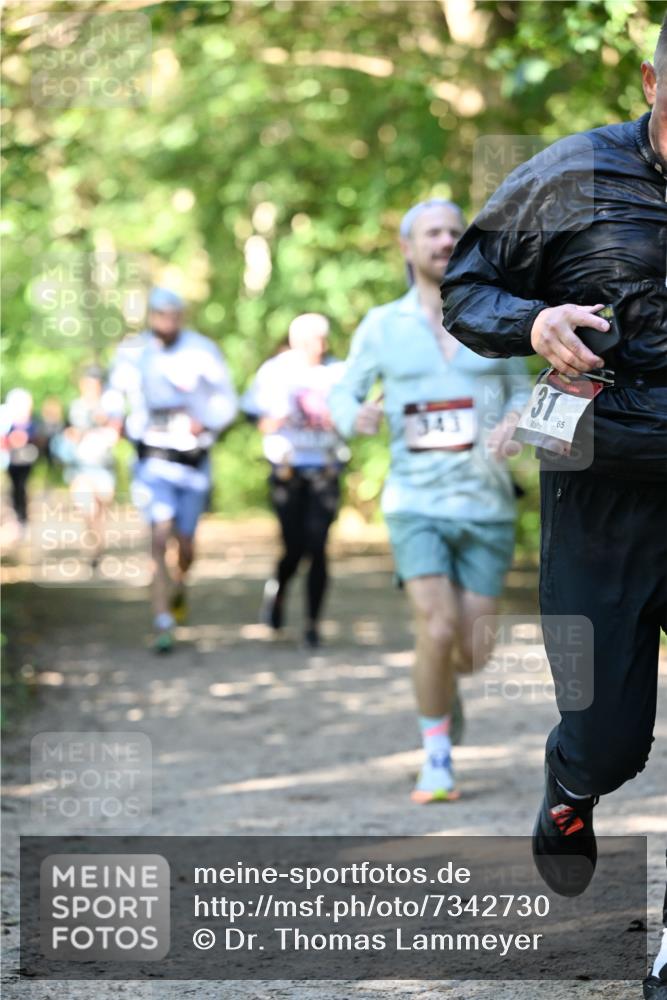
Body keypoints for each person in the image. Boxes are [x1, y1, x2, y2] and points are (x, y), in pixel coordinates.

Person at [441, 20, 667, 998]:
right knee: (610, 733)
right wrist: (529, 319)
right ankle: (571, 785)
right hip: (602, 494)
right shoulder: (572, 175)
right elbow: (466, 288)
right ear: (654, 83)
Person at [329, 199, 531, 803]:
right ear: (407, 247)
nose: (444, 240)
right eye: (432, 232)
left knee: (470, 651)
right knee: (435, 626)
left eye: (453, 231)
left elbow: (524, 394)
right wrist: (353, 415)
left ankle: (444, 683)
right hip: (415, 502)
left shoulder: (495, 317)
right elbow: (343, 391)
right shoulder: (382, 326)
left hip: (487, 505)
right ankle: (437, 759)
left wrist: (514, 425)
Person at [108, 287, 238, 652]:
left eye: (174, 314)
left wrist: (207, 422)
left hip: (193, 461)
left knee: (185, 543)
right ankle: (162, 620)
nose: (168, 321)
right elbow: (114, 395)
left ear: (182, 316)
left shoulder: (202, 350)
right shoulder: (133, 352)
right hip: (152, 460)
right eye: (161, 314)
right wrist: (113, 418)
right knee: (157, 536)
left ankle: (180, 582)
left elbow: (227, 399)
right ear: (151, 317)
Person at [243, 313, 348, 649]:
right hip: (287, 471)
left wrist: (343, 419)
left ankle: (312, 624)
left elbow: (355, 415)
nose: (320, 345)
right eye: (313, 339)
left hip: (325, 469)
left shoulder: (339, 372)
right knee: (294, 547)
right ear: (296, 341)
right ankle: (279, 587)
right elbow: (251, 413)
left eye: (323, 338)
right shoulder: (275, 371)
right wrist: (270, 422)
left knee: (318, 545)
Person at [52, 366, 119, 569]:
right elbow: (63, 433)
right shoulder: (74, 408)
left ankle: (97, 546)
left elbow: (116, 434)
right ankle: (93, 547)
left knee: (100, 511)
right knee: (86, 508)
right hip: (80, 467)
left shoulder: (110, 407)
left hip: (104, 468)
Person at [0, 388, 41, 537]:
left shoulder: (31, 422)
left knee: (20, 488)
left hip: (23, 460)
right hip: (9, 460)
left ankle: (20, 519)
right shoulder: (5, 417)